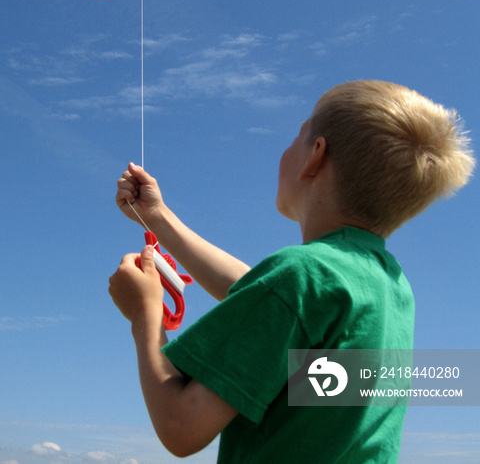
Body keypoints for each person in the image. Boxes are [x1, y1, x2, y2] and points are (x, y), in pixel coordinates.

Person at [109, 80, 474, 462]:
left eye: (297, 136)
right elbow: (264, 295)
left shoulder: (301, 278)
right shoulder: (387, 284)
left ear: (316, 155)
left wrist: (144, 313)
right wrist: (159, 218)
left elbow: (181, 428)